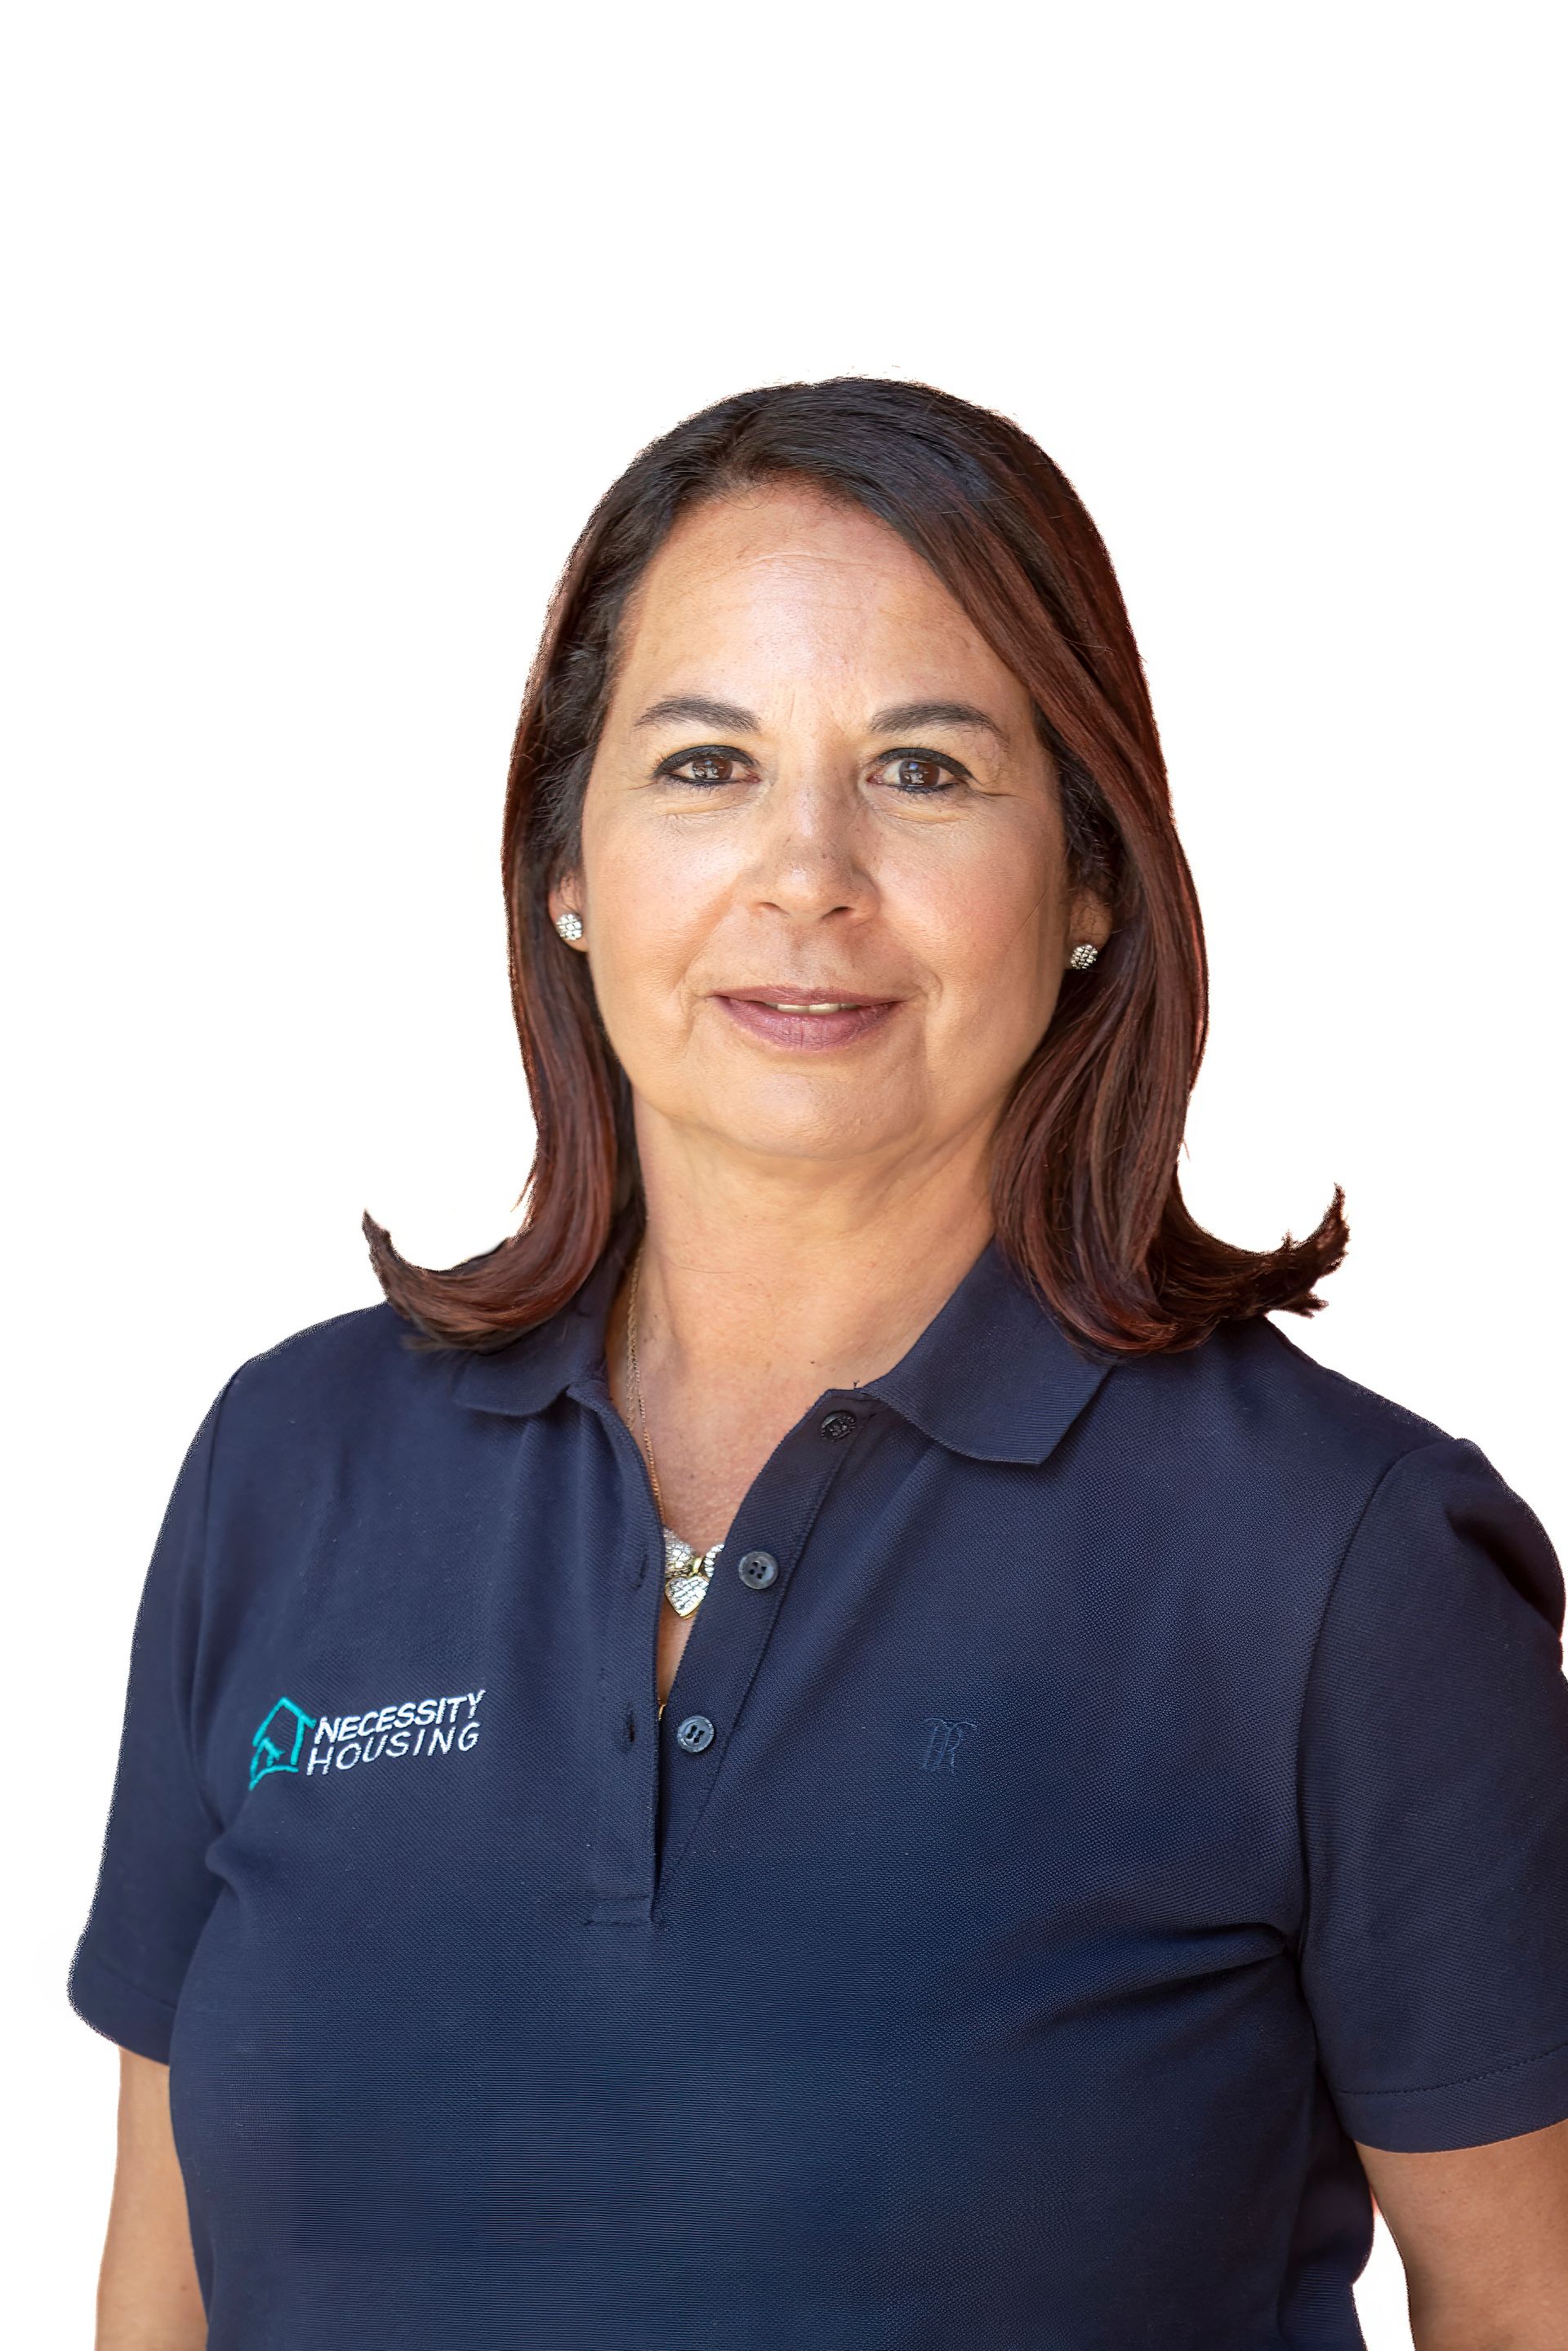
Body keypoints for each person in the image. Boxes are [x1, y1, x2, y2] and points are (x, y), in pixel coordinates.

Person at [69, 378, 1568, 2350]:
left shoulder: (1344, 1564)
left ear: (1093, 880)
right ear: (568, 867)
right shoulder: (290, 1468)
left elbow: (1525, 2305)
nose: (808, 875)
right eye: (705, 768)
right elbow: (159, 2295)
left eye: (927, 775)